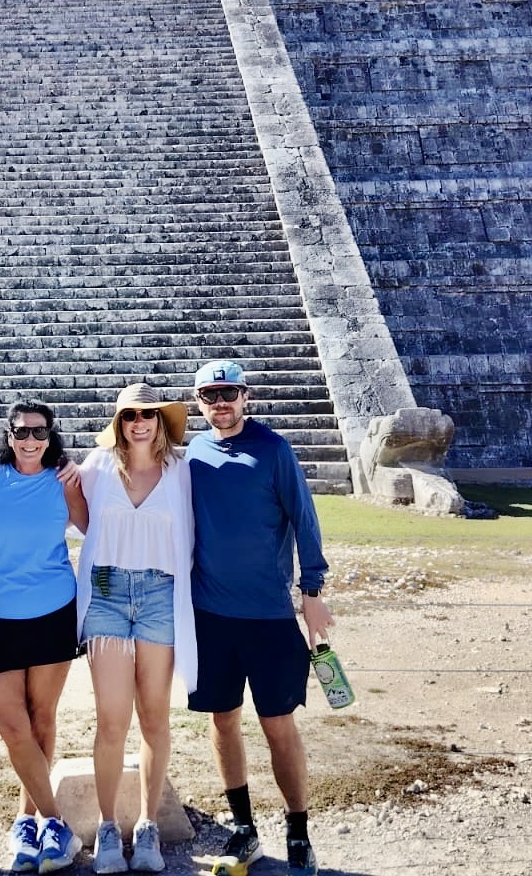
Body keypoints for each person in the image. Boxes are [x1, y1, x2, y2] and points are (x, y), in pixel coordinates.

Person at [185, 360, 335, 876]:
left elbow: (304, 517)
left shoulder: (274, 450)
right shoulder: (191, 455)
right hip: (210, 616)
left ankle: (298, 829)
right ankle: (243, 827)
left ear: (245, 397)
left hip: (269, 615)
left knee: (278, 725)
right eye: (210, 395)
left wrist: (311, 588)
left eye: (228, 393)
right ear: (199, 402)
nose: (220, 403)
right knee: (222, 721)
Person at [70, 383, 196, 874]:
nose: (139, 422)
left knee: (155, 717)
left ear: (160, 422)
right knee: (111, 719)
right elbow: (81, 520)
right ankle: (106, 826)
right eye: (129, 416)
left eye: (148, 414)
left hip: (161, 597)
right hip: (107, 593)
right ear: (119, 424)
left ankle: (146, 826)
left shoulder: (181, 472)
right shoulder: (97, 467)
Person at [0, 400, 86, 873]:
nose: (30, 441)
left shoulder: (64, 481)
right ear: (9, 433)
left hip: (53, 610)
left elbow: (93, 526)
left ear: (51, 434)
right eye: (21, 432)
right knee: (11, 725)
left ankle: (27, 821)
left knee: (42, 718)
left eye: (39, 433)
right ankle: (57, 823)